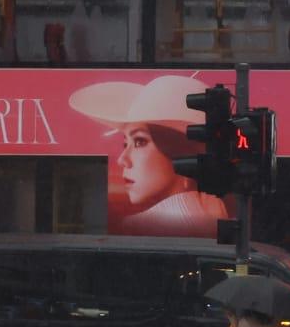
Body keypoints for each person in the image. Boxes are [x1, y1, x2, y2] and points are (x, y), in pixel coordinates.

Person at [68, 75, 231, 236]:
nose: (122, 160)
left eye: (139, 142)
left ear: (183, 154)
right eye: (126, 144)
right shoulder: (217, 211)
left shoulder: (137, 226)